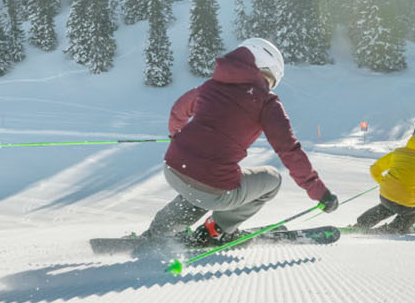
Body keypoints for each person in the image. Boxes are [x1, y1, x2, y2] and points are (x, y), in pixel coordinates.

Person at [142, 38, 336, 247]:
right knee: (271, 180)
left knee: (201, 182)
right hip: (211, 187)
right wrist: (320, 193)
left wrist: (179, 139)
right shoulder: (266, 101)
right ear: (267, 71)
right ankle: (215, 231)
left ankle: (161, 230)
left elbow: (178, 111)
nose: (269, 86)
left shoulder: (210, 86)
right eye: (270, 81)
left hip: (172, 168)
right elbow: (288, 150)